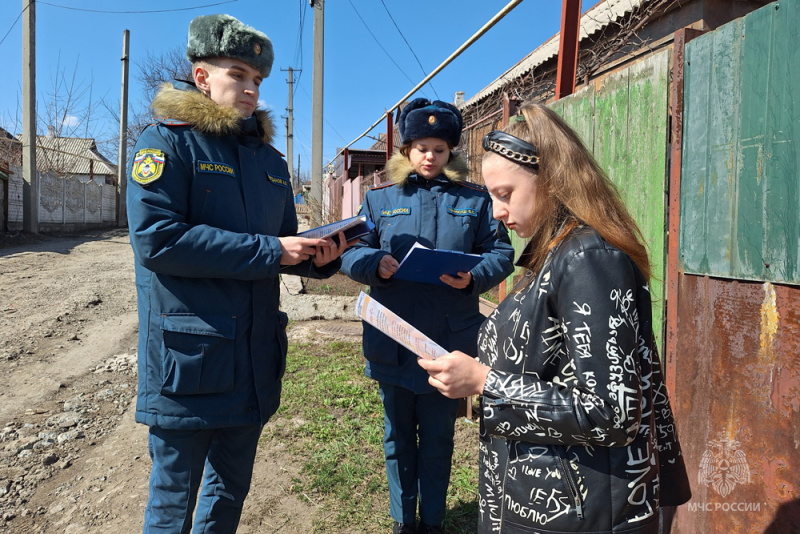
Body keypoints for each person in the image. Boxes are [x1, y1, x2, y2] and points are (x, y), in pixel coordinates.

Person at [417, 102, 692, 534]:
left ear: (552, 181)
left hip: (578, 513)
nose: (497, 213)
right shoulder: (554, 255)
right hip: (545, 503)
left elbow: (612, 412)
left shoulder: (588, 259)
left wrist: (485, 382)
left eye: (504, 194)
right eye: (491, 196)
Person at [127, 14, 350, 533]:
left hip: (252, 358)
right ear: (202, 77)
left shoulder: (271, 161)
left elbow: (284, 244)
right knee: (172, 503)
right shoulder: (167, 144)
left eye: (257, 80)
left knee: (230, 492)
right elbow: (158, 240)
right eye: (238, 74)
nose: (251, 88)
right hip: (191, 363)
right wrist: (273, 250)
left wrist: (322, 257)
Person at [340, 98, 515, 534]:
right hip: (392, 338)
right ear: (407, 150)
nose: (429, 157)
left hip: (447, 342)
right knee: (397, 437)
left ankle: (432, 522)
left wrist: (473, 276)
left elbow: (502, 253)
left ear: (450, 152)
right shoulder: (379, 200)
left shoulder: (475, 201)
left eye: (439, 149)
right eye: (421, 148)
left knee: (438, 439)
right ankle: (404, 522)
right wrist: (373, 263)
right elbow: (350, 250)